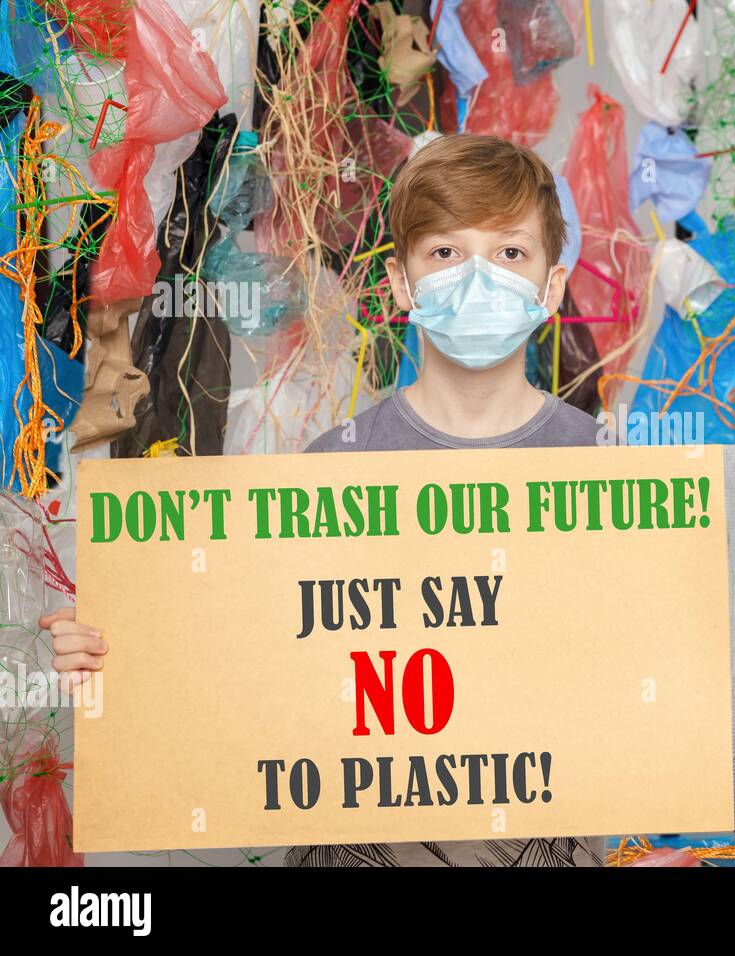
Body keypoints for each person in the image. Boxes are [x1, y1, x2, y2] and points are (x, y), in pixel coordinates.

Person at [48, 133, 611, 868]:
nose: (479, 278)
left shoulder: (609, 473)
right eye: (445, 253)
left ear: (552, 285)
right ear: (402, 284)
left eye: (510, 253)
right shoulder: (332, 470)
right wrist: (117, 655)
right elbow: (252, 673)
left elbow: (644, 684)